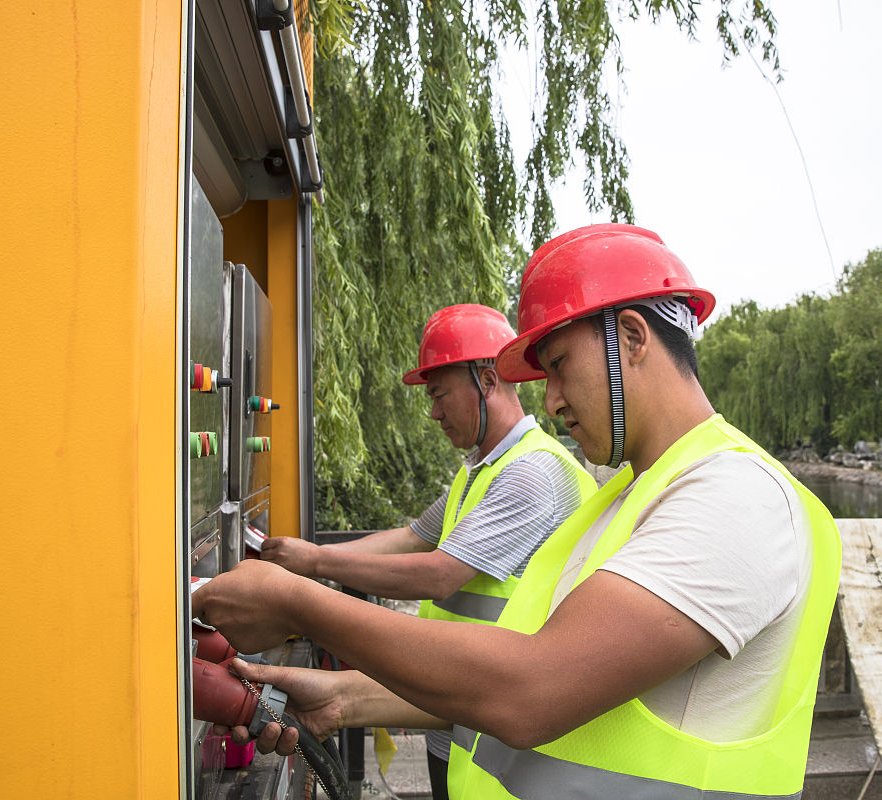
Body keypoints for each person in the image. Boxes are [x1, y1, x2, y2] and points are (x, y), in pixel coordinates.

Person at [194, 224, 842, 799]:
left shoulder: (735, 496)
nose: (551, 400)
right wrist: (345, 698)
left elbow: (533, 688)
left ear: (634, 338)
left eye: (559, 367)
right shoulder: (623, 499)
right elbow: (553, 677)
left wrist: (297, 600)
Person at [260, 303, 596, 799]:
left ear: (487, 380)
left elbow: (439, 574)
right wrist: (307, 555)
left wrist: (311, 568)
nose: (433, 412)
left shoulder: (532, 474)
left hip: (500, 733)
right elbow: (411, 538)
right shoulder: (478, 470)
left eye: (439, 393)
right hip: (453, 715)